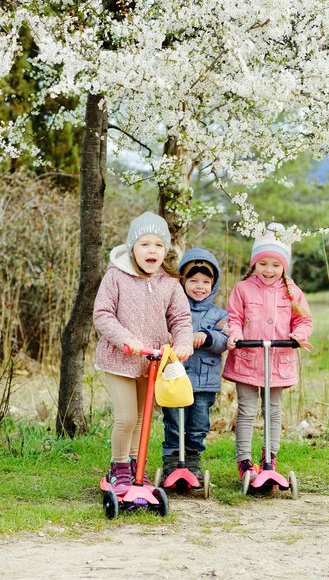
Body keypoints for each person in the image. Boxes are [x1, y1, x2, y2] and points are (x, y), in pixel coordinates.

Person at [93, 211, 193, 495]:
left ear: (166, 250)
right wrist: (126, 339)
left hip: (152, 362)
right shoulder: (116, 276)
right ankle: (118, 467)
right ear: (132, 248)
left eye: (158, 245)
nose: (152, 250)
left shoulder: (169, 282)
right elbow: (102, 314)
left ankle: (136, 467)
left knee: (141, 418)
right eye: (145, 244)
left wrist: (183, 341)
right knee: (126, 418)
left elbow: (181, 319)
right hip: (120, 359)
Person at [222, 222, 313, 480]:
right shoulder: (242, 289)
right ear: (254, 264)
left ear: (284, 265)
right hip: (247, 358)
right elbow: (234, 317)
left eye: (275, 264)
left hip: (277, 360)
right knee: (247, 410)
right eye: (263, 263)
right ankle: (244, 460)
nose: (269, 270)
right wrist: (236, 334)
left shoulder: (292, 292)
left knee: (273, 410)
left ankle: (269, 458)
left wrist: (299, 335)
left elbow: (303, 321)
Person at [161, 248, 229, 481]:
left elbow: (224, 341)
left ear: (214, 284)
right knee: (173, 421)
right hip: (176, 377)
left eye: (205, 282)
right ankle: (171, 458)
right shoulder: (173, 310)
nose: (199, 286)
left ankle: (192, 459)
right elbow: (163, 331)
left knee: (198, 424)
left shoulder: (219, 314)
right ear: (183, 281)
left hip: (204, 381)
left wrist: (207, 337)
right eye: (193, 281)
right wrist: (171, 338)